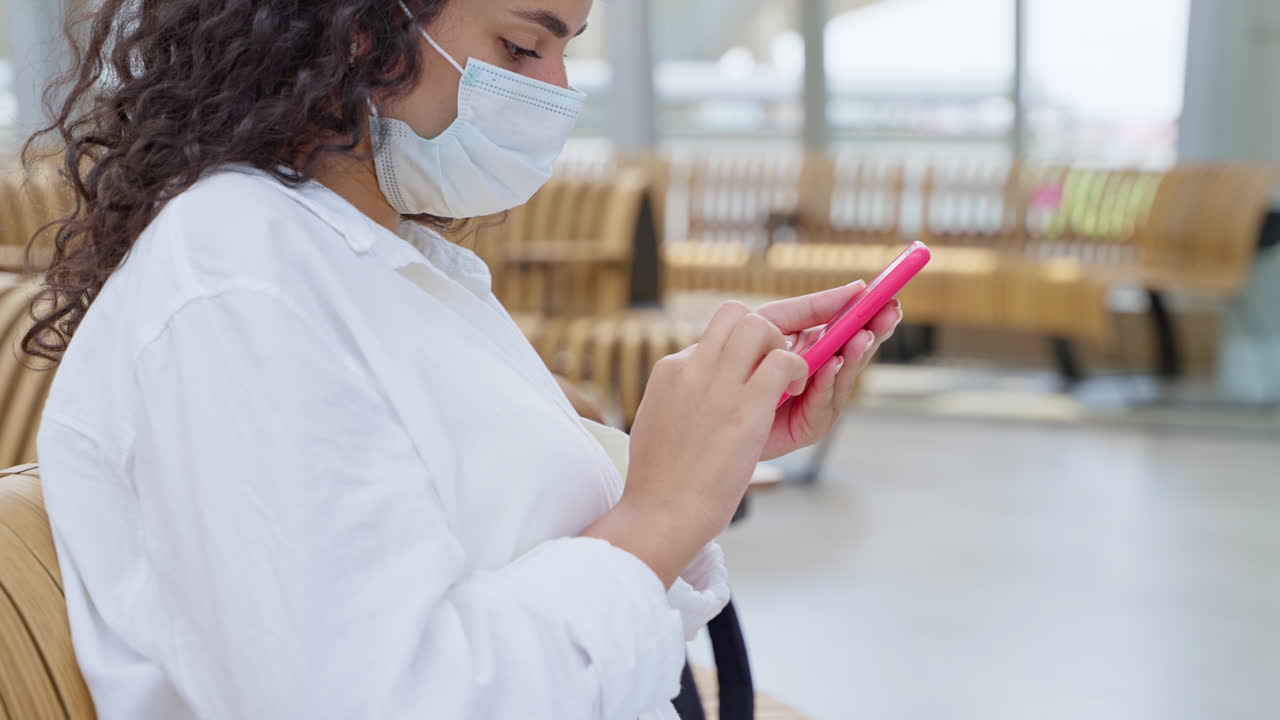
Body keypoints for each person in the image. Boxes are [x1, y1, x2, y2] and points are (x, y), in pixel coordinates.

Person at [22, 0, 903, 718]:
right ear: (361, 29)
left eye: (565, 50)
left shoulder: (379, 260)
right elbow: (378, 697)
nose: (558, 89)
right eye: (523, 46)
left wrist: (703, 454)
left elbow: (492, 530)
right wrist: (662, 513)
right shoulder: (236, 280)